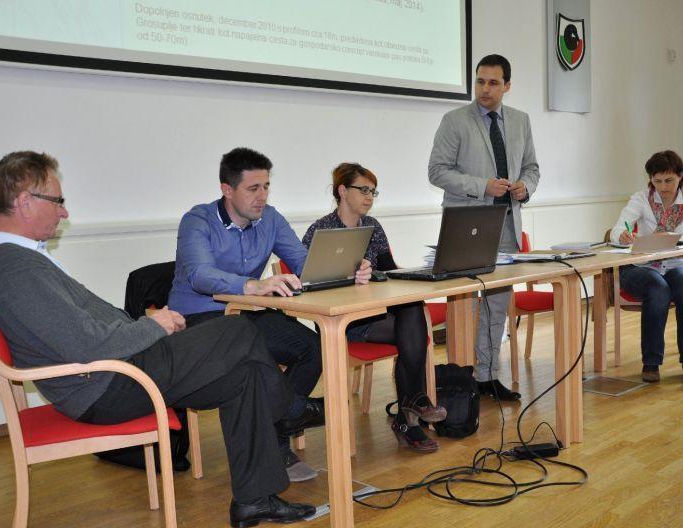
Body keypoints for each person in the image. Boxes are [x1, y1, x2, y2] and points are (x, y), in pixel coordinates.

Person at [0, 151, 315, 528]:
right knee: (239, 330)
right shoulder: (13, 268)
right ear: (24, 202)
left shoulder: (12, 260)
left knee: (246, 376)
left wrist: (146, 328)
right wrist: (154, 326)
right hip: (106, 386)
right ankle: (294, 409)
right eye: (57, 200)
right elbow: (88, 344)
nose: (64, 212)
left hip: (115, 372)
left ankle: (254, 501)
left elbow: (85, 331)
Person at [167, 147, 370, 480]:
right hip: (201, 317)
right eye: (253, 189)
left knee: (314, 347)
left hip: (246, 313)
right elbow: (199, 275)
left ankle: (277, 427)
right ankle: (287, 422)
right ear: (227, 190)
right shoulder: (198, 220)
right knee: (255, 356)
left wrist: (350, 270)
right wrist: (252, 285)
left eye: (266, 187)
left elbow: (305, 264)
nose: (262, 196)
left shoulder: (270, 218)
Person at [302, 163, 447, 452]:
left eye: (373, 192)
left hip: (376, 313)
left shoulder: (373, 227)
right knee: (413, 329)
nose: (369, 197)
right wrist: (350, 278)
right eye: (364, 190)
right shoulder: (321, 230)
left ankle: (410, 409)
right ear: (343, 191)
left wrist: (392, 274)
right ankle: (410, 413)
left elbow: (390, 271)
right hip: (343, 322)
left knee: (411, 310)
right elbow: (307, 282)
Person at [428, 54, 540, 401]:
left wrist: (525, 187)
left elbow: (532, 167)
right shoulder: (454, 121)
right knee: (467, 306)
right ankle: (464, 380)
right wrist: (482, 186)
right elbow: (437, 171)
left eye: (493, 83)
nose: (485, 89)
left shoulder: (520, 121)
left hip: (506, 223)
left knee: (497, 306)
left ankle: (488, 376)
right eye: (480, 81)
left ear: (507, 85)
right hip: (466, 226)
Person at [609, 150, 683, 384]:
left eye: (669, 180)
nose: (663, 187)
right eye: (657, 181)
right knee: (657, 288)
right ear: (651, 180)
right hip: (642, 265)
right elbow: (617, 230)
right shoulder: (640, 199)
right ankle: (651, 362)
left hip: (677, 262)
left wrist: (671, 238)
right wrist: (622, 236)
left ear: (681, 177)